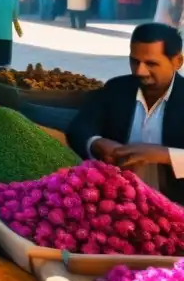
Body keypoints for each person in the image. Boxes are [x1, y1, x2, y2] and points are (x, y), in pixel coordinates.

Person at [67, 23, 184, 202]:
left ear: (177, 62)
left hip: (176, 204)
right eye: (134, 61)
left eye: (151, 63)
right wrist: (96, 143)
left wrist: (164, 155)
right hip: (115, 201)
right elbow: (80, 126)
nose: (140, 71)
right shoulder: (116, 88)